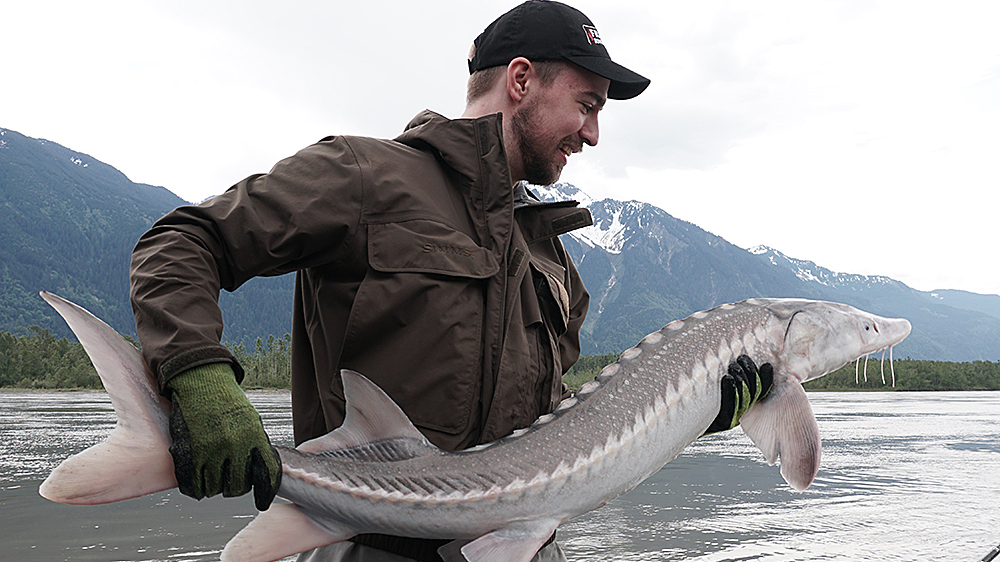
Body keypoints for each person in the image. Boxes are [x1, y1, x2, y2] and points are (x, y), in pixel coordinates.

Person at [128, 2, 771, 561]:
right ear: (521, 79)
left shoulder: (553, 259)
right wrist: (196, 374)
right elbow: (184, 242)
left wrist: (690, 411)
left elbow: (560, 426)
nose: (594, 134)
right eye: (586, 105)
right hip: (366, 543)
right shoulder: (365, 176)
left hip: (523, 547)